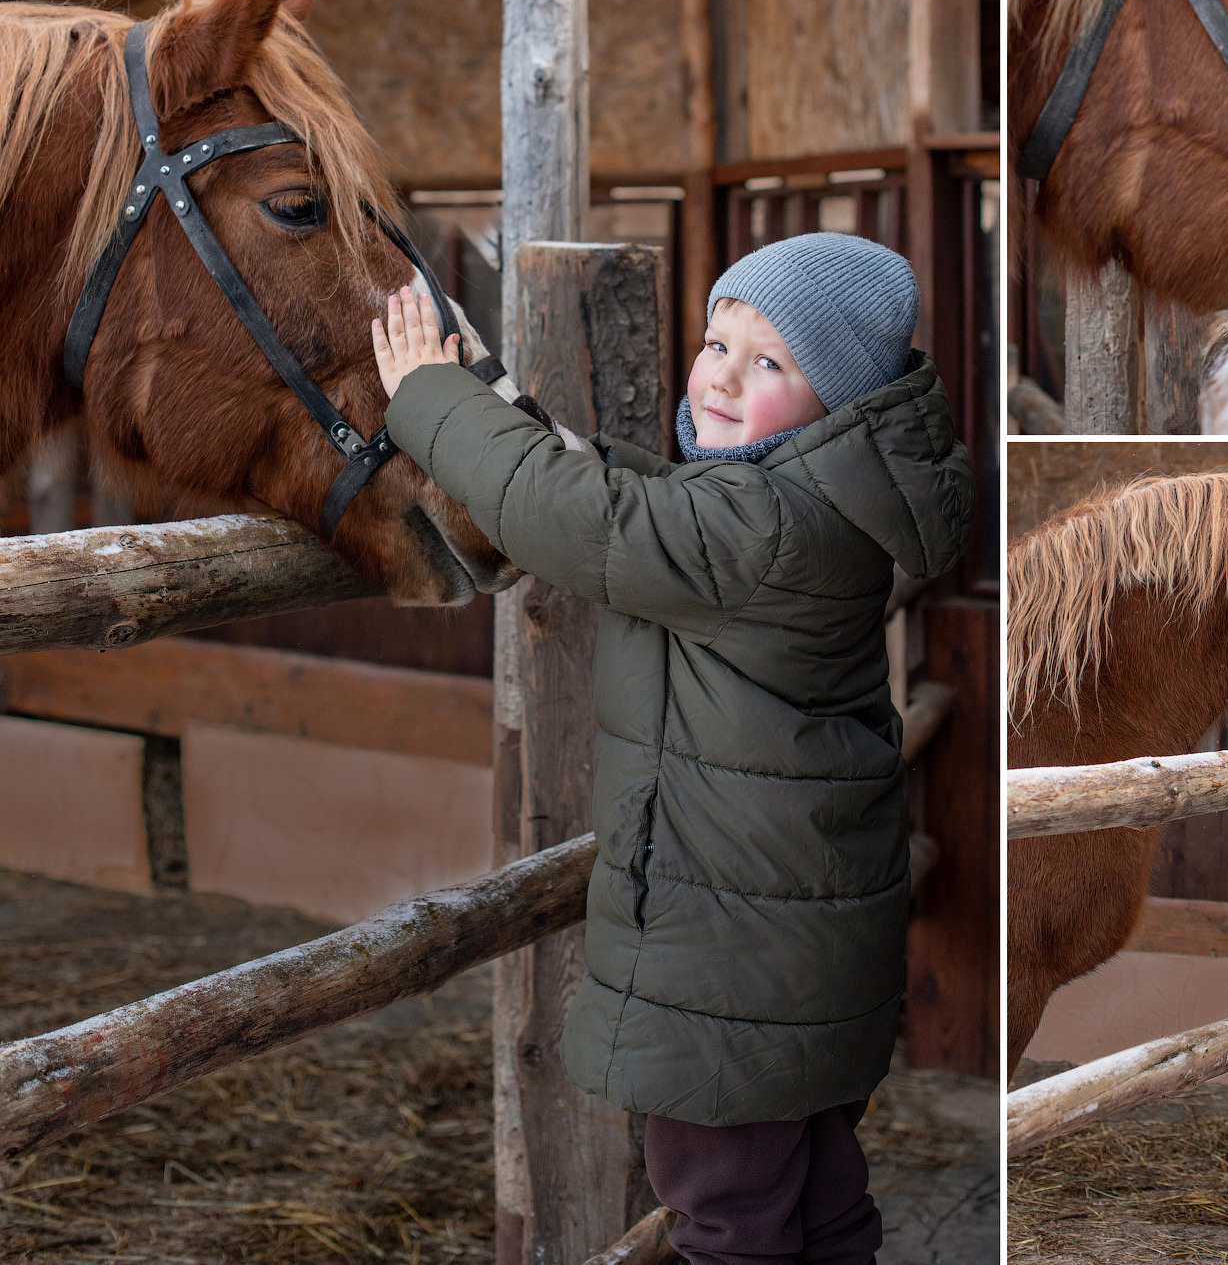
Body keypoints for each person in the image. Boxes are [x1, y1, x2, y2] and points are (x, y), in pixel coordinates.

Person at [371, 232, 974, 1265]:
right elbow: (640, 497)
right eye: (716, 341)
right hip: (794, 945)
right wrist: (491, 389)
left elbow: (572, 515)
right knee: (819, 1199)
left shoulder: (764, 526)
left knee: (726, 1218)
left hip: (727, 960)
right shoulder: (816, 501)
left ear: (839, 399)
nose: (723, 377)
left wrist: (428, 398)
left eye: (771, 361)